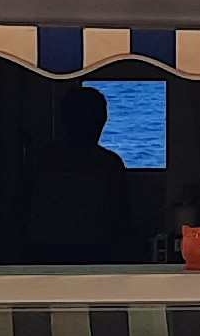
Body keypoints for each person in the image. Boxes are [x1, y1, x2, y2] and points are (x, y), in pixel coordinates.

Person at [20, 83, 141, 259]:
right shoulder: (107, 164)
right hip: (93, 252)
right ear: (100, 120)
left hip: (43, 252)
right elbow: (121, 219)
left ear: (64, 120)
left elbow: (20, 209)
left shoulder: (39, 159)